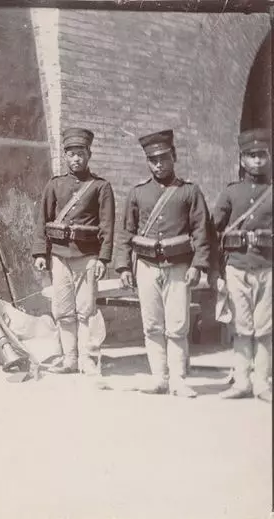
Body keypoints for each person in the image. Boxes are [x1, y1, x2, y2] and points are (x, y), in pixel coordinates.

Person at [114, 129, 210, 397]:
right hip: (146, 267)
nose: (158, 165)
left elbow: (201, 231)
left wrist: (197, 265)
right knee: (152, 325)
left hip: (178, 267)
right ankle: (159, 378)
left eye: (163, 158)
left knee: (177, 325)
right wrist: (123, 267)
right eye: (153, 160)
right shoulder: (138, 193)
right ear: (148, 162)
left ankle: (178, 379)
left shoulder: (189, 192)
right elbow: (126, 231)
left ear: (174, 157)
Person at [33, 127, 115, 376]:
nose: (76, 159)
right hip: (60, 257)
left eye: (80, 154)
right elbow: (42, 220)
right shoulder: (55, 185)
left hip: (87, 257)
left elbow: (108, 226)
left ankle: (87, 359)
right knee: (63, 310)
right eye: (71, 154)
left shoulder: (100, 187)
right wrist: (40, 253)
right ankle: (70, 359)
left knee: (86, 311)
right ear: (65, 156)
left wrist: (103, 258)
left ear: (89, 154)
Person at [212, 128, 272, 403]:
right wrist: (216, 271)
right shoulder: (231, 193)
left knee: (265, 329)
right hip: (236, 267)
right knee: (241, 327)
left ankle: (262, 384)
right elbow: (214, 233)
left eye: (262, 155)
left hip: (267, 268)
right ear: (242, 159)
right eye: (251, 155)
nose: (257, 160)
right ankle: (242, 382)